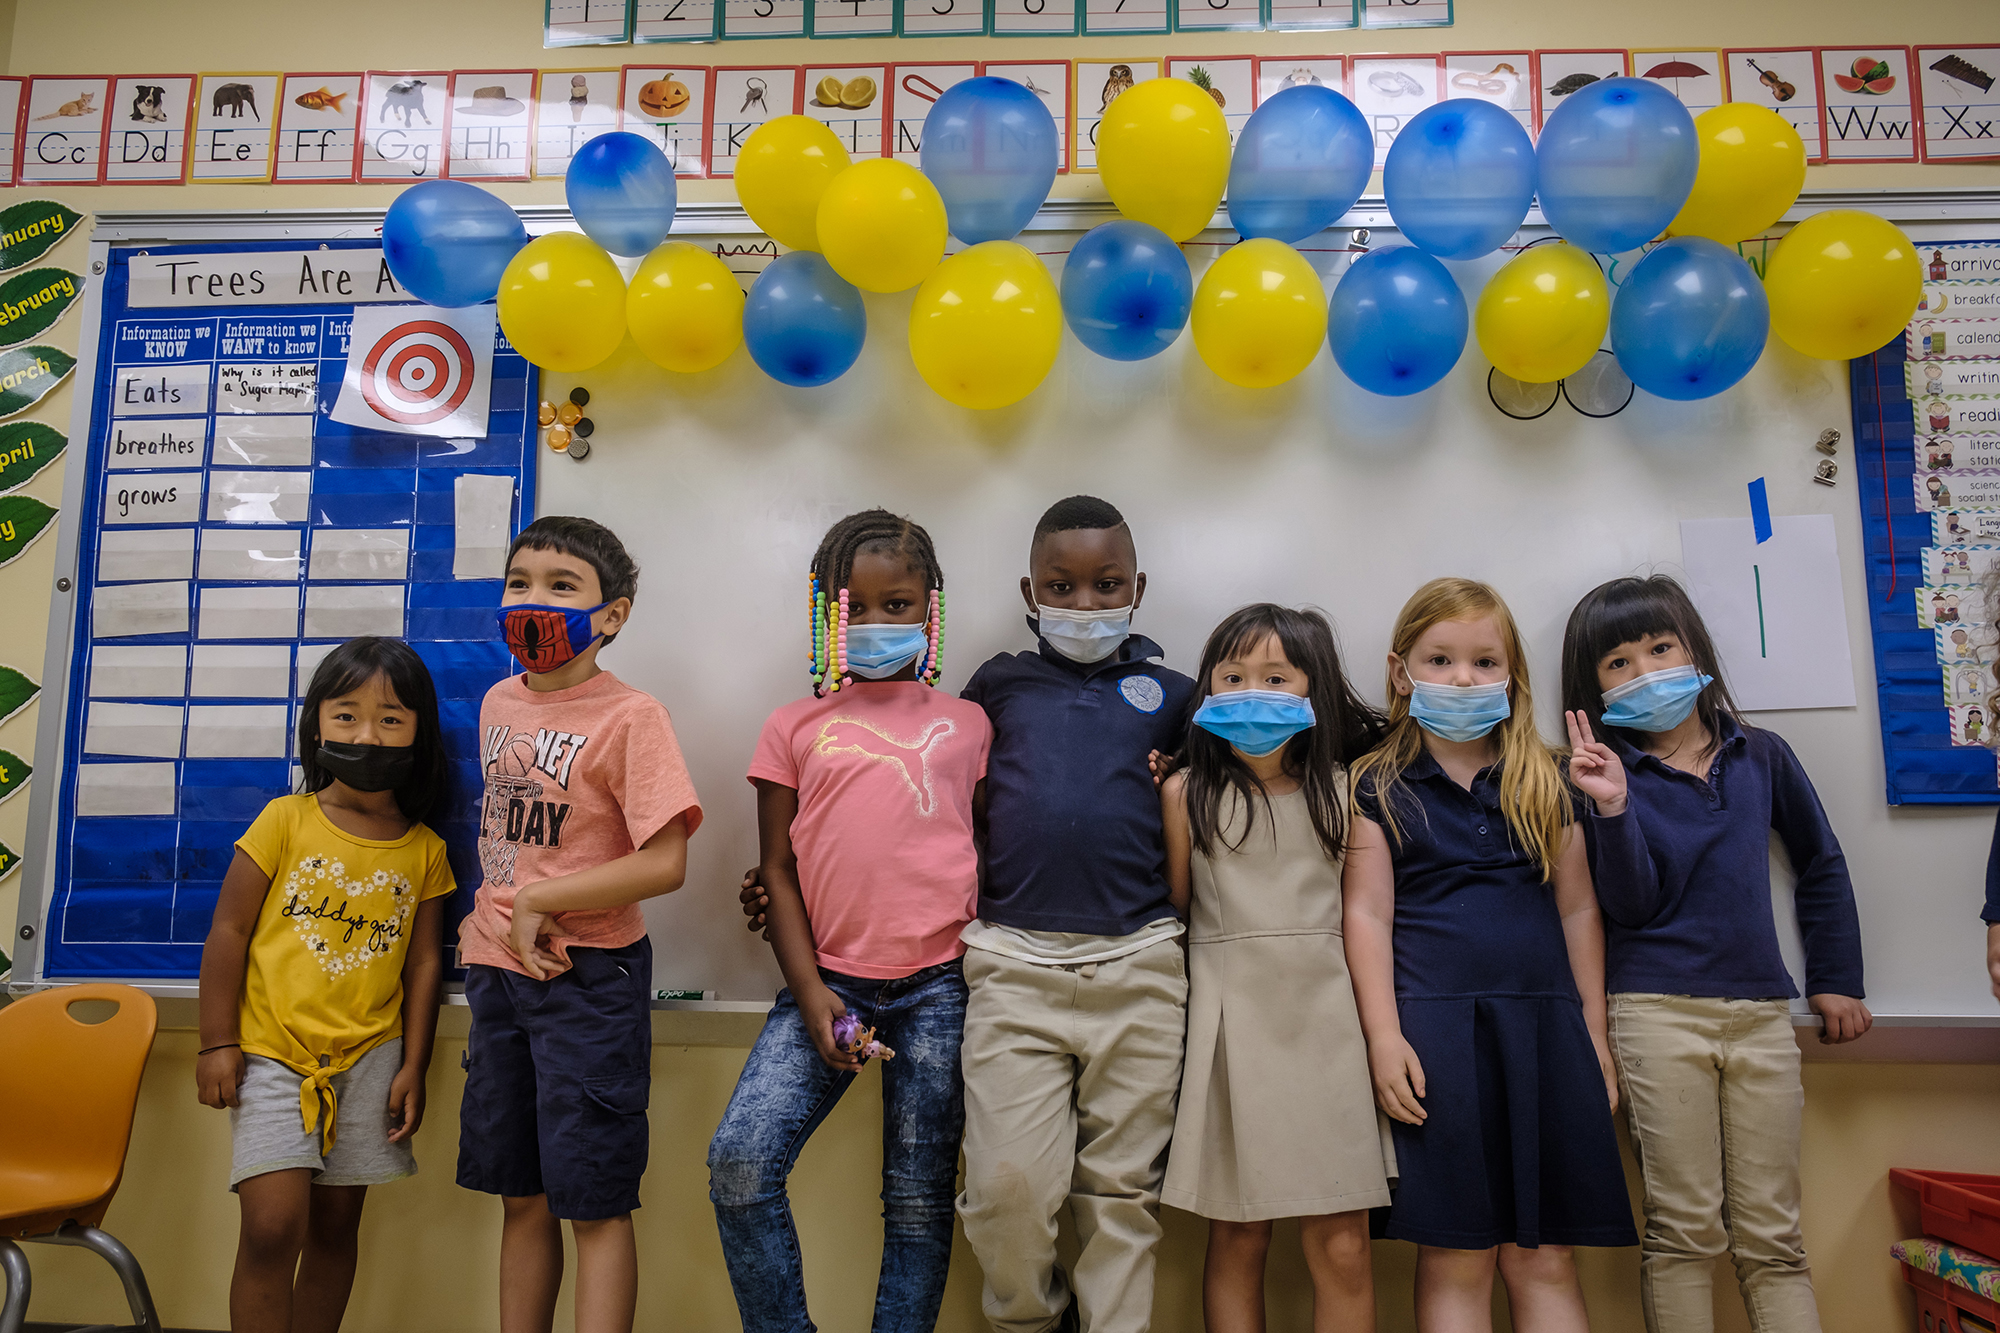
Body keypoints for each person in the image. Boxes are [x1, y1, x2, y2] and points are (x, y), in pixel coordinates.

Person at [1561, 574, 1870, 1333]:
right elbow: (1628, 905)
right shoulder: (1601, 772)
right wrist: (1612, 806)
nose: (1646, 670)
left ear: (1694, 647)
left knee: (1773, 1239)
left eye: (1660, 647)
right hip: (1652, 1013)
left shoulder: (1761, 754)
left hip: (1762, 1012)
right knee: (1685, 1228)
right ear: (1593, 686)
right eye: (1619, 662)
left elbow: (1820, 862)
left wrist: (1835, 979)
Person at [709, 509, 990, 1333]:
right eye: (854, 607)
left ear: (929, 609)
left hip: (944, 987)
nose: (873, 623)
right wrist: (811, 991)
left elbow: (990, 847)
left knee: (915, 1202)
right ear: (824, 613)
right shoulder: (791, 726)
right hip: (825, 982)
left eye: (896, 604)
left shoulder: (972, 724)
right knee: (739, 1164)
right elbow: (778, 870)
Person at [1344, 577, 1635, 1333]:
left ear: (1513, 676)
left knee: (1544, 1258)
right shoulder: (1375, 783)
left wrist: (1595, 1038)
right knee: (1456, 1256)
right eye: (1439, 659)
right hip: (1434, 1042)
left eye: (1483, 661)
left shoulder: (1551, 775)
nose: (1463, 678)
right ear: (1400, 672)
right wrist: (1382, 1037)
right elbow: (1368, 914)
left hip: (1545, 1036)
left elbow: (1578, 909)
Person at [956, 494, 1197, 1333]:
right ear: (1030, 587)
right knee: (1003, 1189)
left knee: (1121, 1198)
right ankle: (1034, 1318)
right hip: (1012, 965)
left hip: (1142, 965)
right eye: (1061, 587)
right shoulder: (995, 685)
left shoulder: (1176, 694)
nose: (1085, 604)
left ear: (1139, 585)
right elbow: (937, 801)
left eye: (1107, 584)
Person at [457, 516, 702, 1333]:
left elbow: (666, 860)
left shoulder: (632, 716)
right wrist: (505, 912)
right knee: (520, 1198)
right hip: (499, 978)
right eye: (520, 581)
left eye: (562, 586)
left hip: (588, 981)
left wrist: (541, 901)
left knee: (593, 1204)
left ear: (612, 615)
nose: (535, 599)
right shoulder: (497, 699)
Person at [195, 637, 456, 1333]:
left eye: (390, 719)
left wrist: (415, 1063)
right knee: (273, 1226)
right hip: (273, 1055)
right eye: (346, 715)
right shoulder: (285, 819)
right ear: (317, 723)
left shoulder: (426, 849)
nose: (366, 734)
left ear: (419, 731)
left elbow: (425, 963)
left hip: (373, 1061)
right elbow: (227, 932)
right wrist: (216, 1041)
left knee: (337, 1230)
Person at [1159, 604, 1393, 1333]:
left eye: (1275, 676)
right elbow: (1176, 906)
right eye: (1232, 676)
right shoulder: (1183, 793)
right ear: (1207, 689)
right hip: (1231, 1027)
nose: (1251, 690)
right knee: (1237, 1232)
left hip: (1330, 1029)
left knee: (1345, 1242)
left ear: (1311, 687)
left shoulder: (1346, 790)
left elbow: (1366, 921)